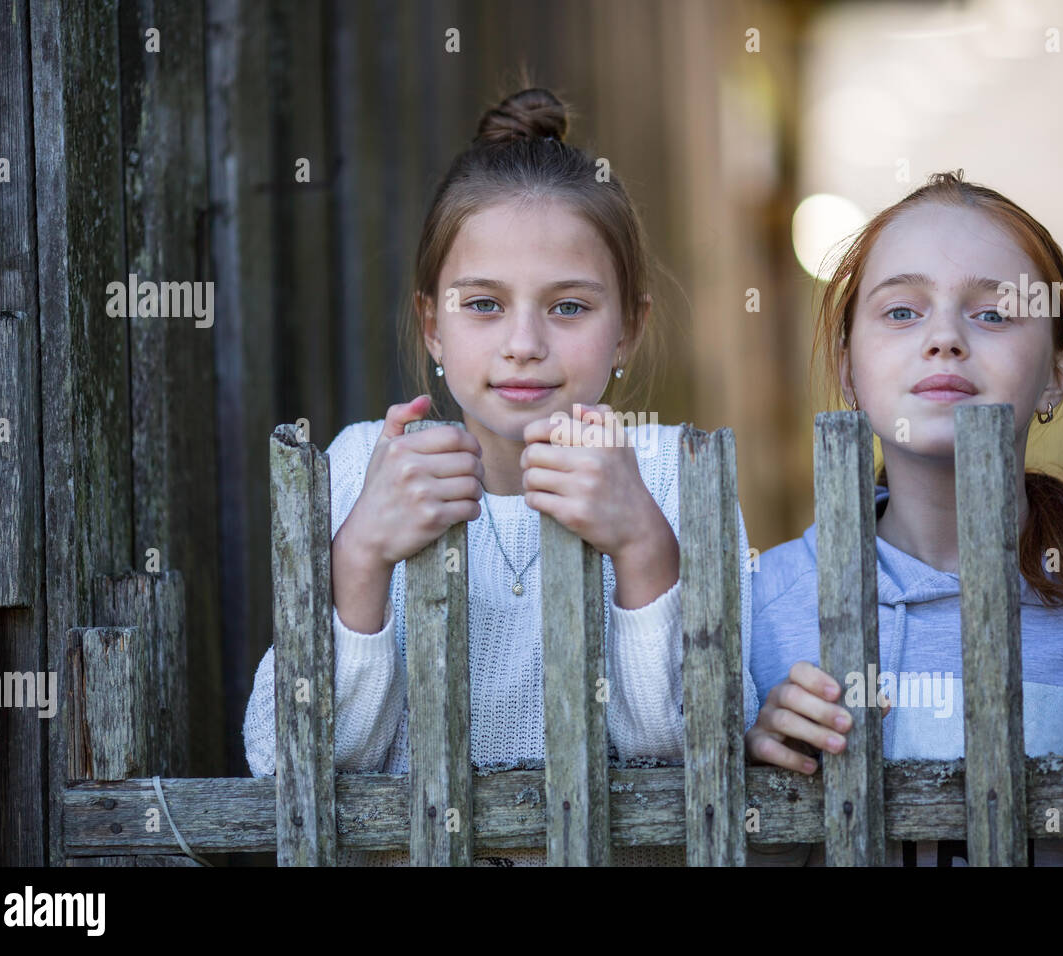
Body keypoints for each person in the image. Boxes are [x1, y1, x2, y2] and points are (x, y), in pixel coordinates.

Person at [243, 87, 758, 865]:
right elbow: (285, 762)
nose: (523, 343)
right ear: (431, 326)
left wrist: (645, 548)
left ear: (629, 330)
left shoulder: (676, 474)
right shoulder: (365, 467)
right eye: (483, 304)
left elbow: (697, 754)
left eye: (569, 307)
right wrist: (359, 559)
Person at [746, 170, 1063, 866]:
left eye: (993, 313)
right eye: (901, 312)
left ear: (1059, 369)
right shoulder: (766, 608)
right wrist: (768, 792)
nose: (945, 337)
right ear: (847, 368)